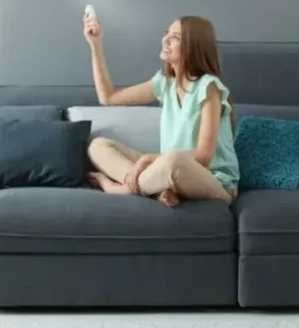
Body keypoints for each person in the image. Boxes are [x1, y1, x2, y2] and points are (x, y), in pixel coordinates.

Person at [83, 13, 239, 207]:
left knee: (174, 160)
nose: (165, 40)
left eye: (175, 37)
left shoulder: (209, 88)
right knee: (98, 145)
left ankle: (120, 189)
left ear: (193, 47)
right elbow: (108, 97)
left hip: (213, 181)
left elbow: (203, 156)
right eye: (167, 33)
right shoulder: (165, 83)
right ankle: (154, 188)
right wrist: (95, 45)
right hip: (167, 171)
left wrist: (148, 159)